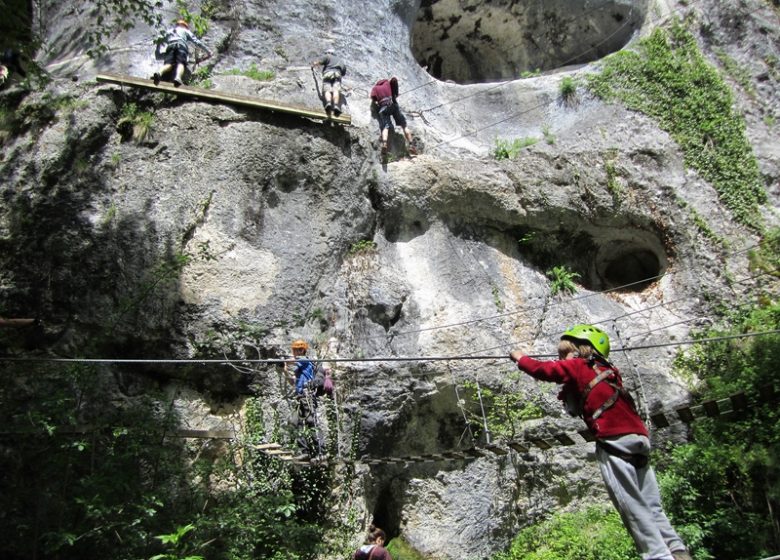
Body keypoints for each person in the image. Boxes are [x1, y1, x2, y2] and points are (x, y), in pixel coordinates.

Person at [509, 324, 692, 560]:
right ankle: (677, 550)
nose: (561, 358)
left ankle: (658, 556)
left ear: (578, 351)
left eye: (564, 353)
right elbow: (579, 401)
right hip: (639, 439)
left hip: (614, 441)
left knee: (632, 507)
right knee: (652, 505)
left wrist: (520, 358)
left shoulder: (577, 365)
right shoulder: (609, 371)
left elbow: (544, 370)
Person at [151, 20, 211, 87]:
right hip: (181, 46)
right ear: (184, 26)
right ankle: (178, 78)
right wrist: (208, 52)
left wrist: (157, 52)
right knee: (181, 63)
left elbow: (159, 40)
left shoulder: (169, 31)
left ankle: (159, 73)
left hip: (170, 46)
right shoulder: (185, 31)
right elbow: (197, 42)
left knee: (169, 64)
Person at [370, 77, 416, 157]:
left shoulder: (375, 88)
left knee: (385, 127)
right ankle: (411, 145)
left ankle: (384, 144)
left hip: (383, 108)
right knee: (404, 125)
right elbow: (394, 79)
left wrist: (378, 102)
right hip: (392, 104)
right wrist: (395, 94)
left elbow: (374, 99)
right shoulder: (387, 83)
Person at [311, 48, 347, 117]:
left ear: (329, 53)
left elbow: (319, 62)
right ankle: (336, 105)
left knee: (327, 90)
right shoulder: (340, 61)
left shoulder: (328, 56)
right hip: (337, 75)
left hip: (328, 73)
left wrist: (313, 65)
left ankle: (328, 103)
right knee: (336, 91)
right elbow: (343, 72)